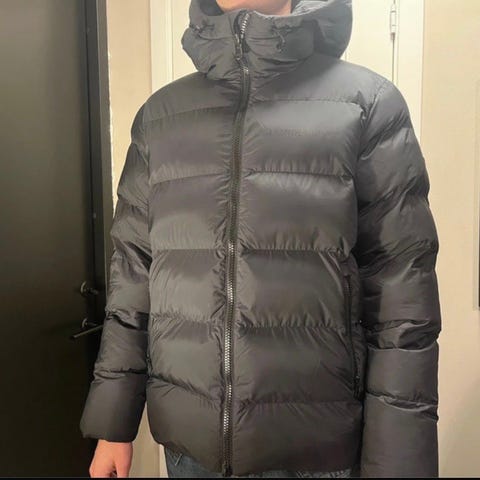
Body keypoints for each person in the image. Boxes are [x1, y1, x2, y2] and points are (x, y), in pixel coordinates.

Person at [80, 0, 442, 478]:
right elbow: (133, 276)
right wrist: (114, 424)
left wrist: (399, 463)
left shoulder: (367, 104)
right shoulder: (160, 118)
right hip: (191, 452)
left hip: (320, 456)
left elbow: (403, 298)